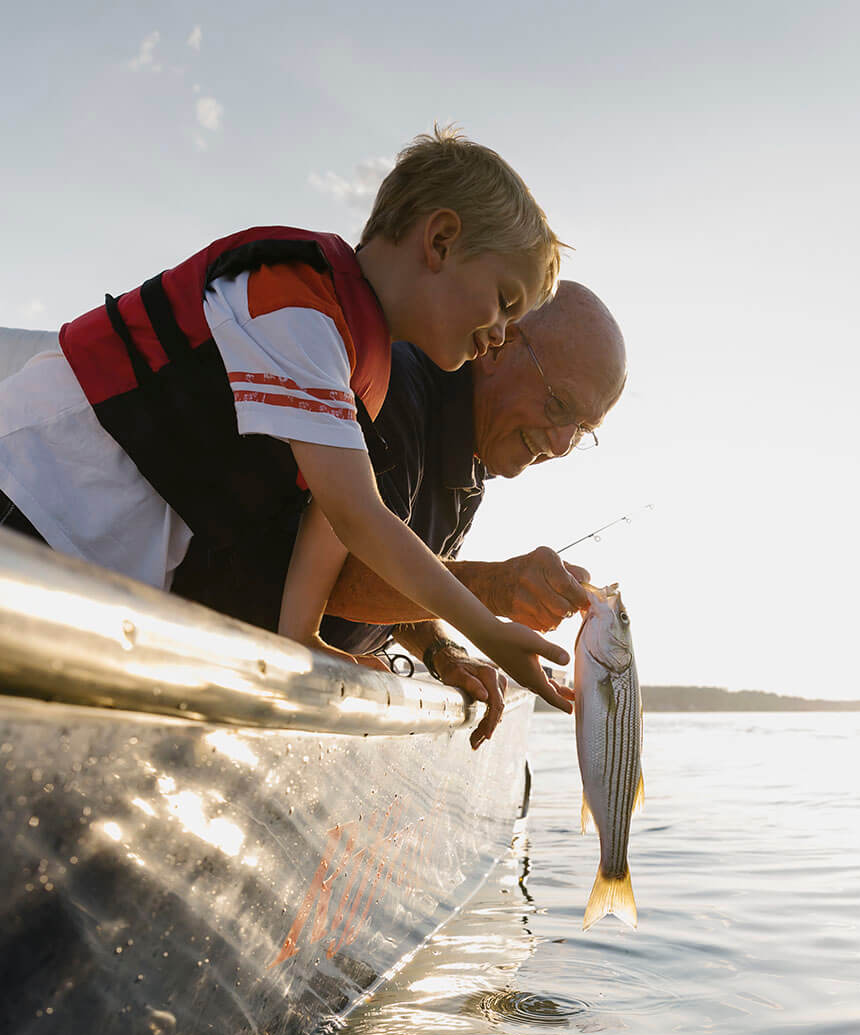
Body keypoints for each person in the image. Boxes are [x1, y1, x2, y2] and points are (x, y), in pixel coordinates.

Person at [0, 126, 574, 713]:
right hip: (27, 498)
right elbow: (358, 516)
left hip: (86, 560)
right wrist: (489, 630)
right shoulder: (295, 306)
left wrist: (303, 639)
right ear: (442, 240)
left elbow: (326, 521)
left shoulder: (359, 370)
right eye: (505, 300)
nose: (502, 333)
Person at [317, 280, 627, 745]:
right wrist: (493, 589)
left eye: (581, 429)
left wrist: (443, 651)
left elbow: (407, 590)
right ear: (500, 347)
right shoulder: (395, 386)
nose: (562, 444)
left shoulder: (472, 459)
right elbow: (330, 580)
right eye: (559, 405)